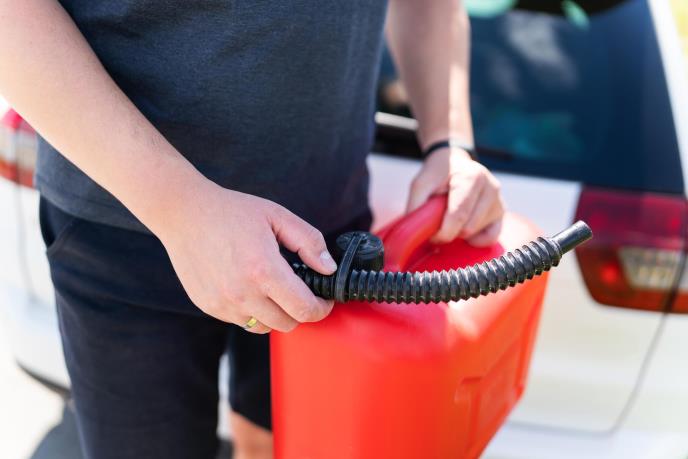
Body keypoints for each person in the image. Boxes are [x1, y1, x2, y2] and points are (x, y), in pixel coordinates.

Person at [0, 1, 504, 458]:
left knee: (283, 442)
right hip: (127, 225)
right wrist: (181, 208)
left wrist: (448, 142)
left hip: (325, 232)